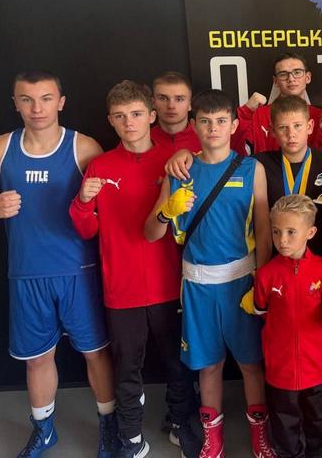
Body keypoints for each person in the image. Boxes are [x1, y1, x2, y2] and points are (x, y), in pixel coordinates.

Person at [0, 71, 118, 457]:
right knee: (37, 359)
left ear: (61, 102)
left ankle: (109, 425)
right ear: (15, 103)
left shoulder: (83, 146)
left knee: (95, 353)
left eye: (46, 98)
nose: (37, 108)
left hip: (78, 272)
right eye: (27, 99)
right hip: (27, 273)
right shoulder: (1, 147)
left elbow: (115, 207)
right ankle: (44, 429)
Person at [69, 81, 200, 458]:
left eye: (137, 114)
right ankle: (130, 437)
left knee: (177, 363)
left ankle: (181, 422)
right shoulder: (100, 166)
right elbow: (86, 229)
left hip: (169, 282)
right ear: (110, 120)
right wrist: (82, 202)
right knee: (127, 367)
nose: (129, 122)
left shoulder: (174, 161)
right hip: (122, 288)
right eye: (121, 116)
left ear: (152, 116)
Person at [143, 89, 275, 458]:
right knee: (209, 366)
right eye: (205, 121)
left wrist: (262, 284)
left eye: (220, 121)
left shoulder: (251, 169)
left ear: (233, 125)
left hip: (242, 281)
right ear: (195, 125)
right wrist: (167, 211)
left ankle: (260, 437)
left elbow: (264, 230)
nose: (213, 128)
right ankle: (212, 440)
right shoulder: (180, 171)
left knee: (251, 364)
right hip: (198, 285)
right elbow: (150, 232)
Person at [254, 194, 322, 458]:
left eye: (291, 232)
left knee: (318, 420)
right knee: (284, 422)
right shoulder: (266, 274)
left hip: (316, 365)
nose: (282, 240)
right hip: (280, 367)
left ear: (310, 232)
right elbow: (262, 312)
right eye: (276, 231)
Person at [254, 95, 322, 257]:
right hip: (278, 258)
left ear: (310, 127)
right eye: (283, 127)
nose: (291, 134)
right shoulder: (259, 165)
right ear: (272, 131)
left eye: (297, 126)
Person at [233, 52, 322, 155]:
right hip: (263, 166)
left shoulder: (321, 116)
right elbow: (233, 151)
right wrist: (245, 111)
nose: (291, 79)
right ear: (275, 81)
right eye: (283, 74)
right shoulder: (258, 115)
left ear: (307, 77)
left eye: (297, 72)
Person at [150, 71, 201, 153]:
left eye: (179, 99)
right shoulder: (140, 140)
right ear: (153, 103)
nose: (171, 106)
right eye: (163, 98)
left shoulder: (206, 140)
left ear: (190, 104)